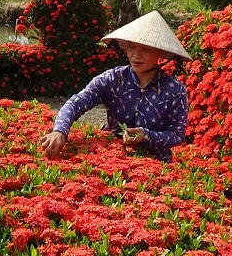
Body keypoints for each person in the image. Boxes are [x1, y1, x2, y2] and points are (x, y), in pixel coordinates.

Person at [39, 11, 192, 162]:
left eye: (145, 49)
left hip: (155, 164)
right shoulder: (113, 78)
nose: (136, 55)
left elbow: (176, 135)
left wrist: (146, 136)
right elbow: (76, 102)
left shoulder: (175, 90)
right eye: (131, 47)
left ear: (160, 52)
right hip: (111, 157)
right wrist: (60, 130)